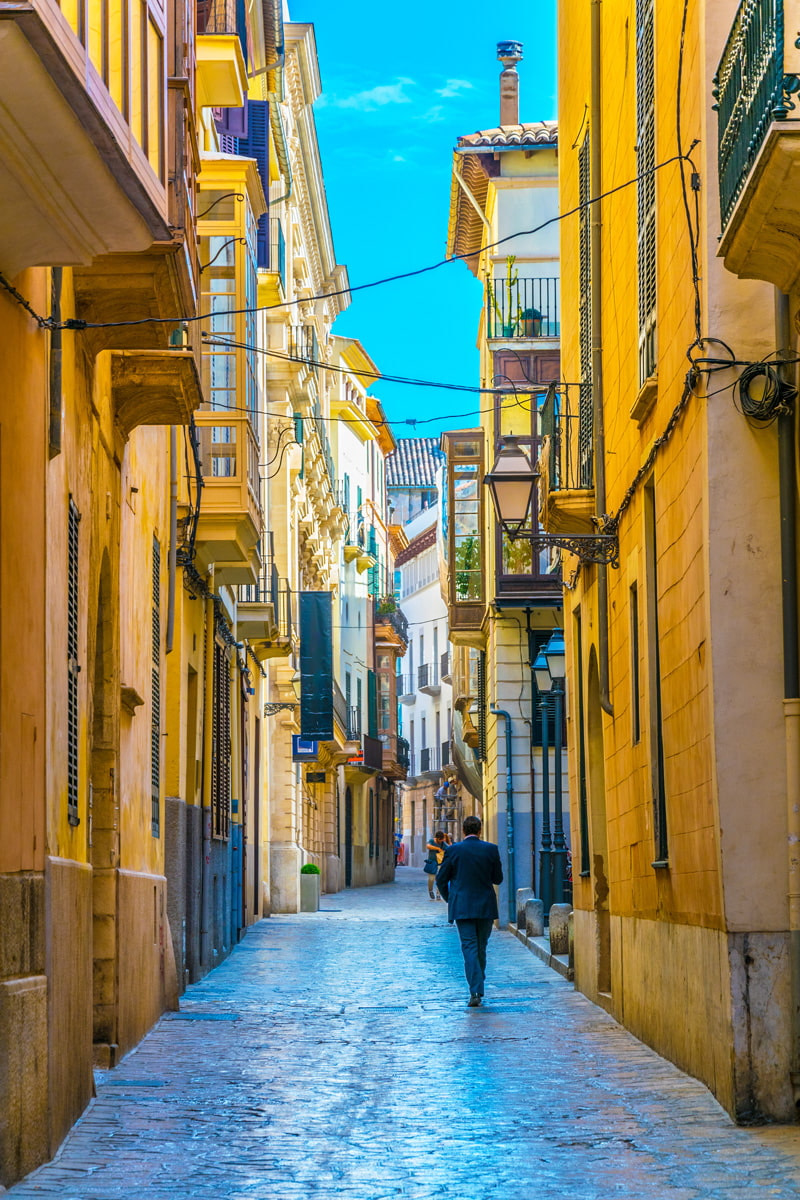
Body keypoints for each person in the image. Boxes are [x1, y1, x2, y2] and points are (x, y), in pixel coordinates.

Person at [436, 815, 503, 1007]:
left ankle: (475, 990)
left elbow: (441, 880)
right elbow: (498, 879)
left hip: (462, 907)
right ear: (480, 830)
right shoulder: (491, 849)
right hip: (485, 906)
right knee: (481, 947)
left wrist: (451, 899)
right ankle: (477, 986)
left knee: (469, 948)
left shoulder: (454, 850)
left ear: (463, 831)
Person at [423, 831, 447, 899]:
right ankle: (430, 891)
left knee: (439, 878)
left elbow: (448, 848)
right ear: (437, 838)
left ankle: (438, 894)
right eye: (440, 839)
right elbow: (428, 846)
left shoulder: (443, 843)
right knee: (431, 878)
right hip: (432, 862)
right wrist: (438, 848)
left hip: (440, 863)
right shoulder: (431, 841)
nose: (441, 841)